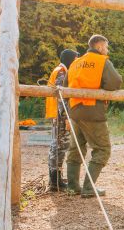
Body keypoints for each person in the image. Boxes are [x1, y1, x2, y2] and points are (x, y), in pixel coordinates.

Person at [64, 34, 122, 197]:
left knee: (76, 148)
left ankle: (72, 187)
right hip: (92, 111)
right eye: (106, 46)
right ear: (99, 46)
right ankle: (89, 188)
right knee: (103, 149)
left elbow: (65, 86)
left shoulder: (75, 63)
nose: (107, 49)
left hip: (75, 111)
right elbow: (115, 83)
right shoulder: (102, 61)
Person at [45, 49, 79, 191]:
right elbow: (61, 97)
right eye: (76, 59)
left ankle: (56, 177)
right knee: (59, 146)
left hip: (58, 114)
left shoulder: (60, 70)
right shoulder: (61, 72)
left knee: (58, 145)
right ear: (70, 60)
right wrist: (67, 117)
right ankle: (55, 181)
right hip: (61, 115)